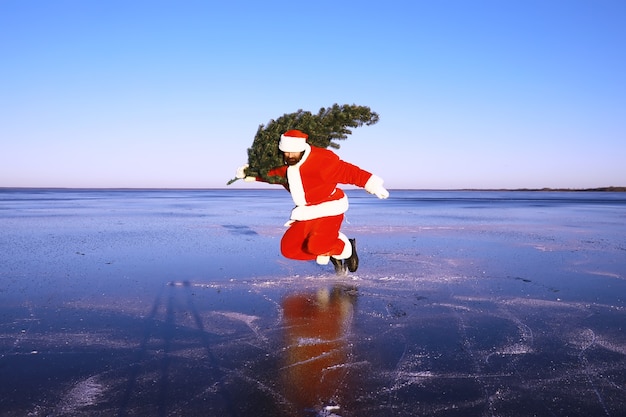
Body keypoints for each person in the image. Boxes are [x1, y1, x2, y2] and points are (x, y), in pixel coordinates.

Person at [236, 129, 389, 274]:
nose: (289, 155)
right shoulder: (287, 166)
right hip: (307, 212)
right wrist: (251, 174)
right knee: (288, 249)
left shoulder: (323, 162)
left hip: (329, 208)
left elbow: (350, 172)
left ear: (302, 148)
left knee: (317, 246)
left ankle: (346, 247)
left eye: (292, 151)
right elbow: (273, 175)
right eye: (285, 151)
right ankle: (329, 250)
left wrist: (373, 184)